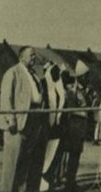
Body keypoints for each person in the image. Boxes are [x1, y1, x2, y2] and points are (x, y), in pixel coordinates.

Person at [0, 45, 49, 192]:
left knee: (28, 165)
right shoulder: (13, 73)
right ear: (22, 57)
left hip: (35, 121)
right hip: (18, 124)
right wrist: (11, 120)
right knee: (12, 166)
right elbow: (6, 98)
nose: (34, 58)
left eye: (34, 56)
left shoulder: (34, 75)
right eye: (31, 55)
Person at [59, 60, 90, 192]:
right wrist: (85, 112)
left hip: (80, 128)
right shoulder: (72, 91)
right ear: (81, 77)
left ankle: (72, 182)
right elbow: (71, 109)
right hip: (73, 129)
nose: (88, 78)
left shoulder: (85, 90)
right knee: (72, 157)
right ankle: (69, 184)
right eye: (86, 76)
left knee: (76, 157)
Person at [40, 63, 65, 191]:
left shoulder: (58, 87)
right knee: (45, 154)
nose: (58, 76)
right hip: (45, 127)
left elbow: (62, 101)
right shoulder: (43, 84)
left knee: (54, 153)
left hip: (56, 127)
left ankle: (49, 179)